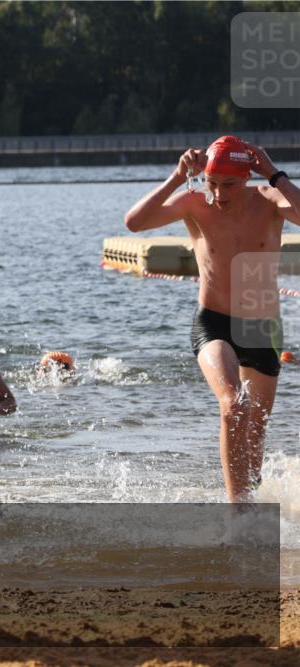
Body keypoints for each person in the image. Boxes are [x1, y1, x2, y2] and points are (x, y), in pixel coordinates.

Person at [124, 135, 300, 501]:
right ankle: (238, 514)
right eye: (212, 183)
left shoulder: (269, 200)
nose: (219, 193)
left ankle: (252, 501)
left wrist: (274, 173)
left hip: (262, 329)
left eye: (229, 184)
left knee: (255, 440)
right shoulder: (195, 202)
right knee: (234, 404)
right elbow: (134, 223)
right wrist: (177, 177)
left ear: (247, 177)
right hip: (213, 323)